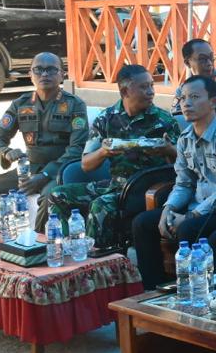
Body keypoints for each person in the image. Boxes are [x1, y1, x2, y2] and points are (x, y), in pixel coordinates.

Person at [132, 75, 216, 289]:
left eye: (195, 97)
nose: (186, 103)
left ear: (213, 101)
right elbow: (183, 183)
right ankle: (154, 289)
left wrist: (190, 216)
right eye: (183, 98)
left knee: (188, 228)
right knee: (142, 222)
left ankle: (195, 289)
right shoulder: (185, 138)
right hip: (196, 207)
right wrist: (168, 209)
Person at [47, 64, 180, 252]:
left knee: (101, 205)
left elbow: (185, 162)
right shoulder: (106, 118)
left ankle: (100, 260)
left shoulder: (164, 120)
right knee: (57, 195)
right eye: (144, 87)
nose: (151, 92)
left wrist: (168, 149)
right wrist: (104, 152)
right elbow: (86, 165)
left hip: (148, 189)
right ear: (125, 91)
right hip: (115, 185)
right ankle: (66, 250)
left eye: (151, 85)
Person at [0, 52, 88, 233]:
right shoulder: (20, 104)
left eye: (51, 70)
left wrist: (45, 175)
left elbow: (77, 149)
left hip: (59, 171)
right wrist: (6, 152)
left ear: (62, 74)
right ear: (30, 75)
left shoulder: (74, 104)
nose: (44, 74)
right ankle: (11, 239)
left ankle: (39, 244)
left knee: (50, 198)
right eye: (38, 70)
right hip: (29, 170)